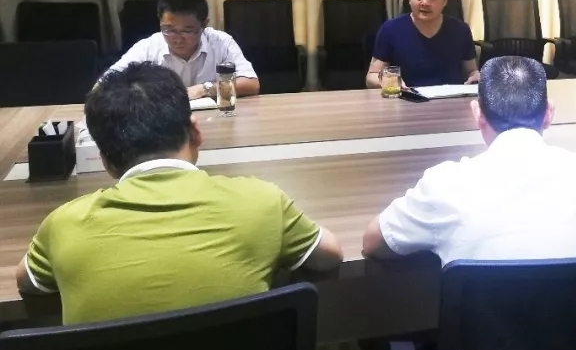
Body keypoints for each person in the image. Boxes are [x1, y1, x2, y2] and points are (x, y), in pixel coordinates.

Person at [16, 63, 342, 324]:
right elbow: (330, 256)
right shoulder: (261, 201)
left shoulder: (63, 225)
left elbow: (26, 282)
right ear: (195, 132)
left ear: (105, 160)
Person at [362, 56, 576, 262]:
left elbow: (373, 243)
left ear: (477, 114)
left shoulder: (444, 184)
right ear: (549, 114)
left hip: (478, 329)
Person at [106, 0, 259, 99]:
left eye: (187, 31)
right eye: (169, 29)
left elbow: (251, 84)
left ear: (204, 25)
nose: (178, 39)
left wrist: (206, 89)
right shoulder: (148, 47)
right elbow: (106, 83)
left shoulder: (220, 42)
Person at [366, 0, 480, 89]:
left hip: (451, 98)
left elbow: (471, 71)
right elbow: (371, 77)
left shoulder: (461, 30)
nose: (425, 3)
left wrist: (476, 76)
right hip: (407, 96)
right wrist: (390, 82)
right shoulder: (390, 29)